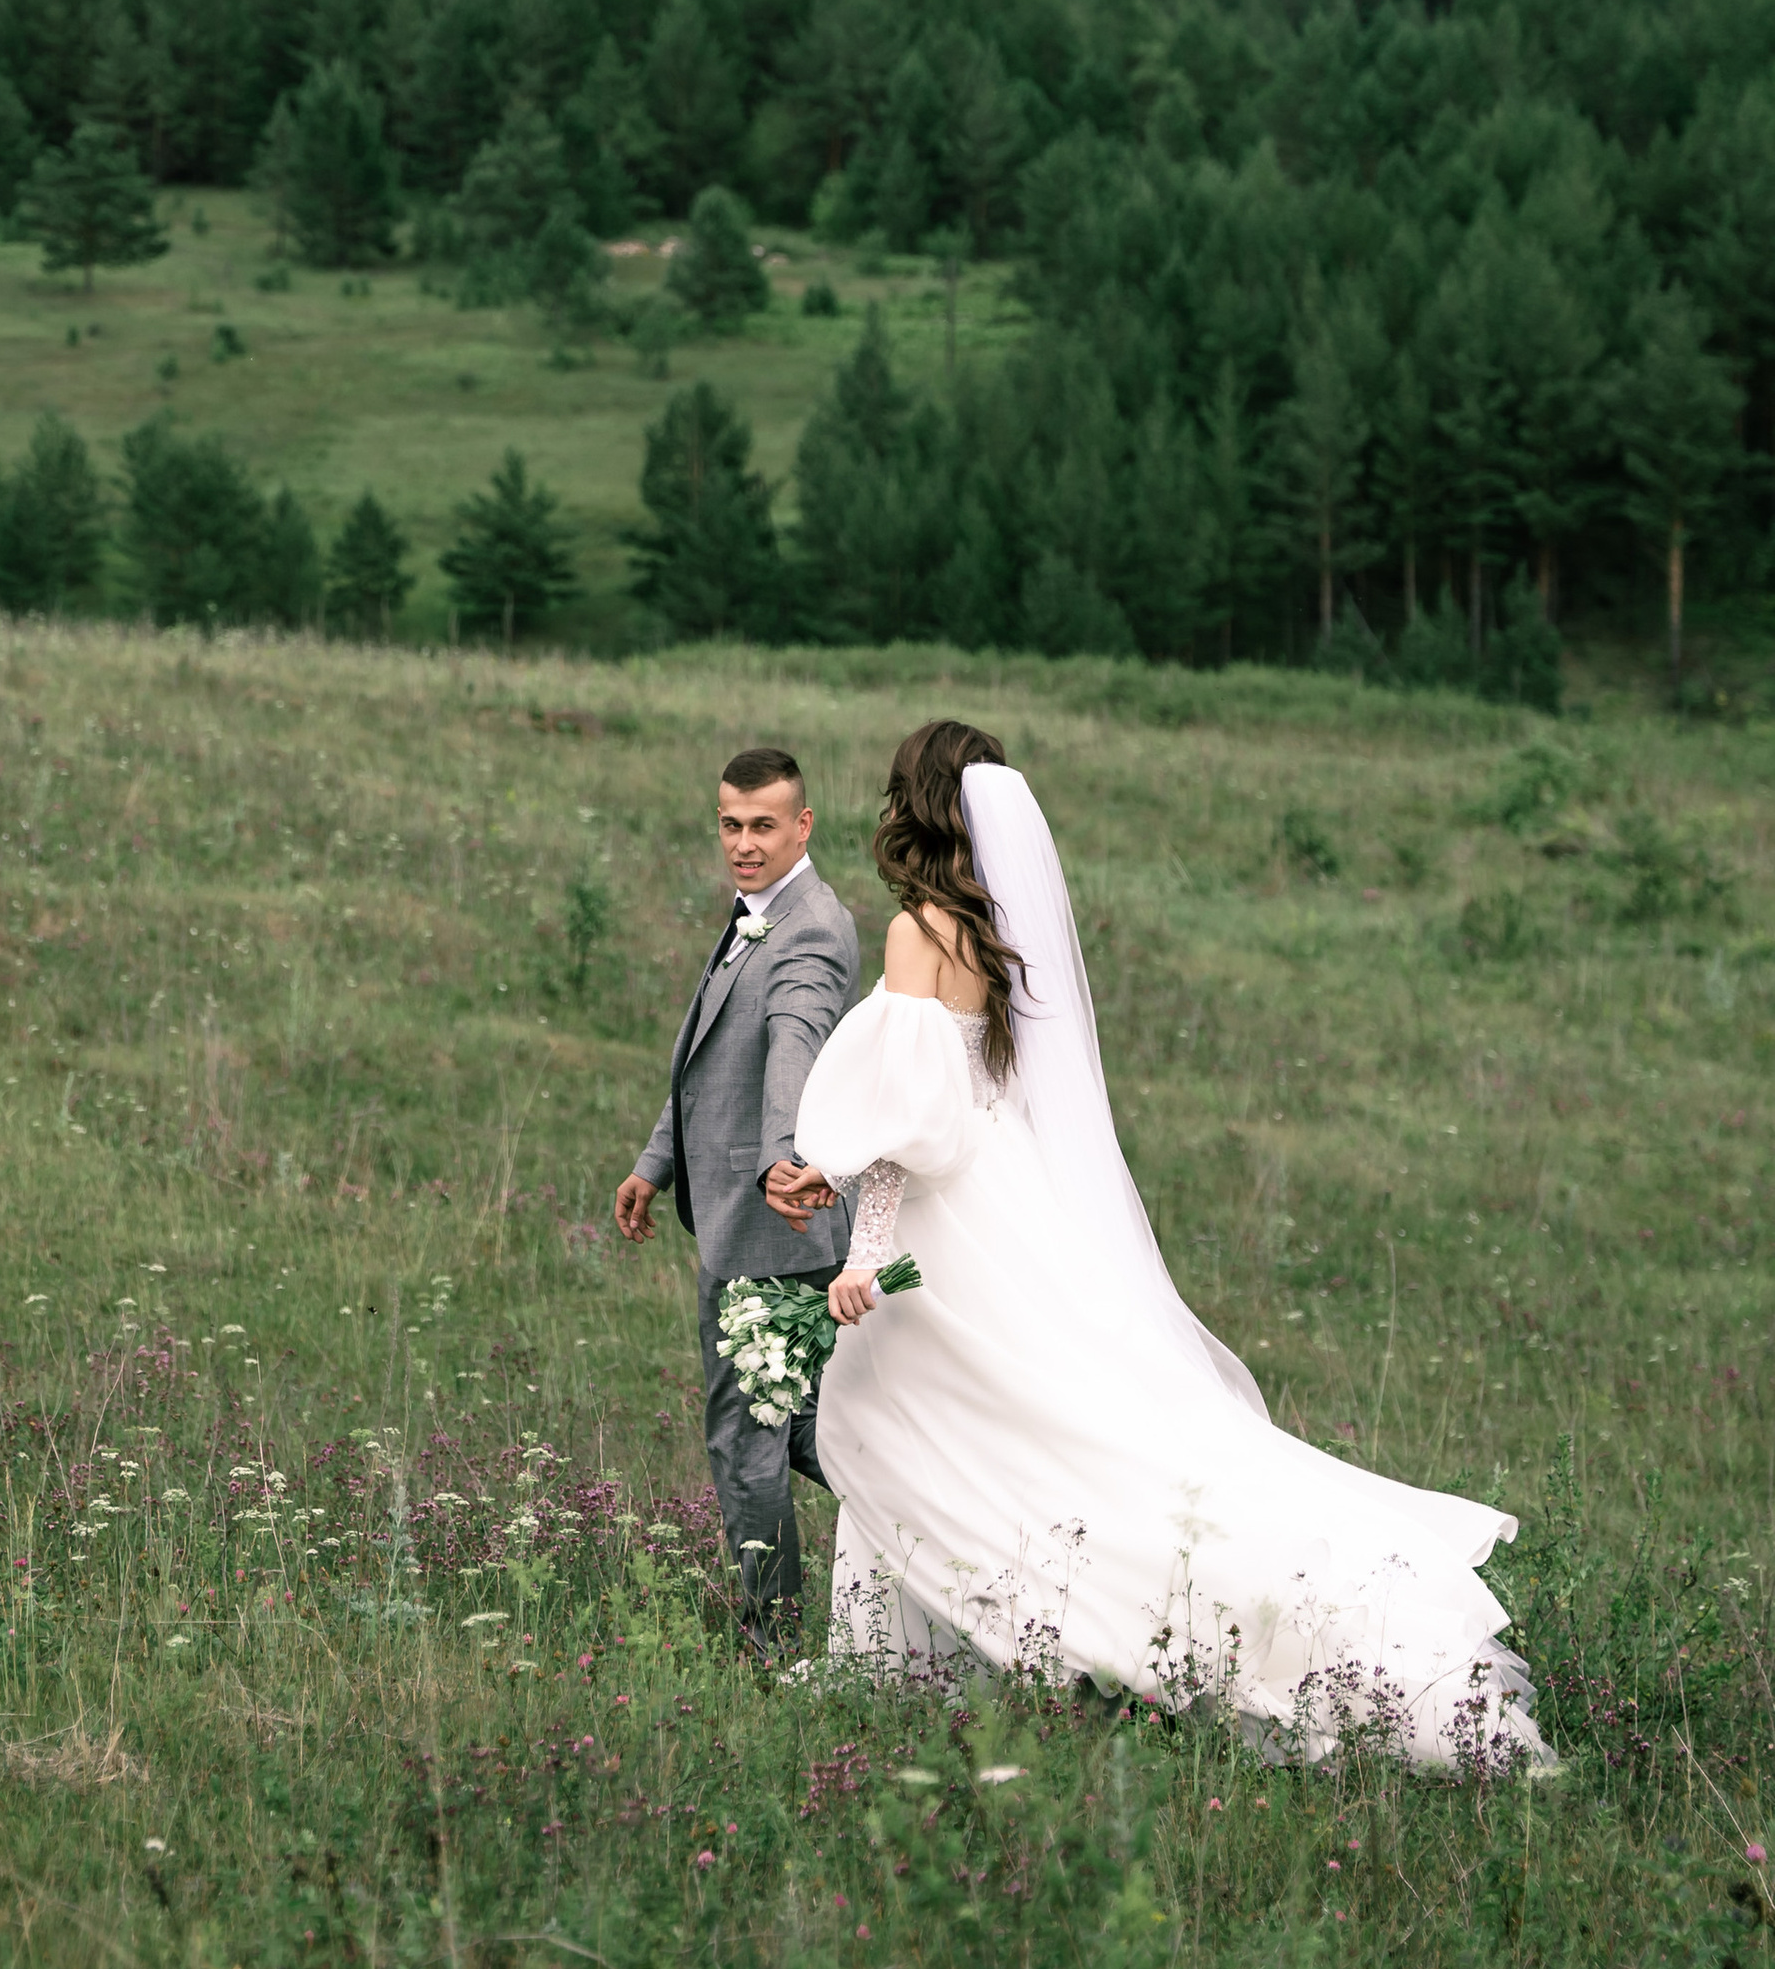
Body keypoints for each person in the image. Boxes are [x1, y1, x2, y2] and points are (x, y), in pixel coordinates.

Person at [792, 719, 1546, 1764]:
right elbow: (972, 1094)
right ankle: (911, 1651)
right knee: (1004, 1419)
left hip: (947, 1212)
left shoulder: (919, 930)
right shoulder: (998, 931)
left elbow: (909, 1125)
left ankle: (914, 1656)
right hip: (1007, 1194)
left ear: (906, 803)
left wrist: (863, 1248)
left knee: (895, 1411)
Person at [615, 743, 859, 1645]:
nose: (744, 844)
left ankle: (774, 1642)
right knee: (793, 1425)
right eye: (730, 824)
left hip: (776, 1229)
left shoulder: (812, 931)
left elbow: (793, 1041)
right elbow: (711, 1059)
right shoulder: (755, 911)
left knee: (745, 1438)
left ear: (803, 825)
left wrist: (780, 1158)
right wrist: (655, 1161)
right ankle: (920, 1505)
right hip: (742, 1215)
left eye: (763, 826)